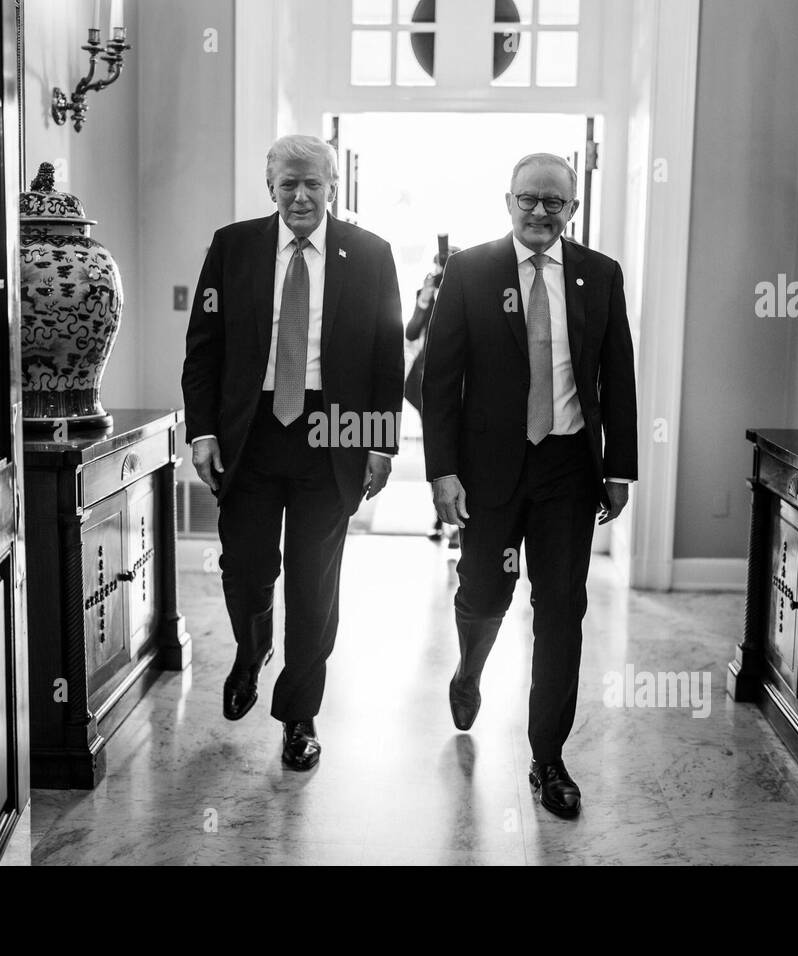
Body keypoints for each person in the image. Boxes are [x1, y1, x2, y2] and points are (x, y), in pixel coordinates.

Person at [421, 152, 637, 817]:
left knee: (561, 610)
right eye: (529, 199)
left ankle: (548, 758)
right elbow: (439, 379)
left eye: (555, 202)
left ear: (572, 209)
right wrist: (442, 470)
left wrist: (620, 467)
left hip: (567, 470)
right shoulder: (471, 270)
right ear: (507, 201)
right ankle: (468, 669)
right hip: (489, 470)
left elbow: (619, 374)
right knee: (484, 590)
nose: (540, 211)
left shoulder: (600, 275)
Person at [181, 134, 403, 771]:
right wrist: (203, 431)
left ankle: (299, 715)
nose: (300, 195)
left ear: (333, 186)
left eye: (313, 183)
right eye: (288, 184)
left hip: (332, 434)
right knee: (245, 570)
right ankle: (252, 652)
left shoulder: (371, 254)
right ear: (269, 185)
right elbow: (204, 346)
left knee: (314, 584)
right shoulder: (234, 247)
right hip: (249, 436)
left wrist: (379, 442)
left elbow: (388, 357)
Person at [403, 238, 460, 543]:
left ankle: (458, 518)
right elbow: (412, 331)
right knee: (435, 449)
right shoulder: (427, 294)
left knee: (460, 451)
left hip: (462, 382)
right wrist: (426, 299)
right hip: (427, 379)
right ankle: (439, 517)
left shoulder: (470, 292)